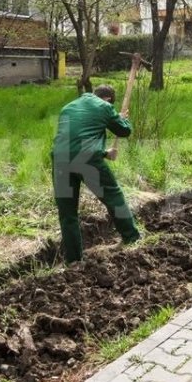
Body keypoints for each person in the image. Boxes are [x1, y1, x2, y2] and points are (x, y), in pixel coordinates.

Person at [52, 84, 140, 263]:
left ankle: (74, 261)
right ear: (108, 99)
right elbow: (124, 131)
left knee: (67, 214)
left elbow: (74, 140)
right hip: (87, 159)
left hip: (60, 159)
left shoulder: (68, 107)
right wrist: (122, 119)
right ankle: (132, 237)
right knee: (113, 196)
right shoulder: (105, 107)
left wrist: (104, 153)